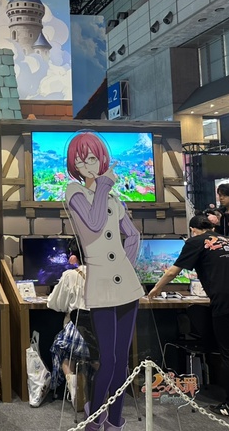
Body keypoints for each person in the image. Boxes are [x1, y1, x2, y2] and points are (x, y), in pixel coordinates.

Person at [148, 215, 229, 422]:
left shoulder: (195, 241)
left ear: (193, 230)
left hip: (228, 300)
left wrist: (155, 290)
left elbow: (173, 271)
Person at [64, 131, 142, 431]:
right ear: (74, 165)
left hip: (126, 285)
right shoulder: (74, 192)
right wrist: (105, 183)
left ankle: (116, 420)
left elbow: (133, 235)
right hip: (100, 285)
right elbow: (95, 223)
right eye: (80, 161)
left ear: (102, 159)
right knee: (107, 358)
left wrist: (125, 265)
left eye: (92, 158)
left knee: (122, 360)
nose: (87, 165)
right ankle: (95, 420)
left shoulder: (113, 198)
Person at [47, 238, 90, 409]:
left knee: (62, 349)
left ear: (74, 256)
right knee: (95, 355)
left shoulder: (70, 275)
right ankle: (99, 384)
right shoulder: (106, 275)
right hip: (105, 337)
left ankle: (72, 383)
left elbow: (55, 304)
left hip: (78, 337)